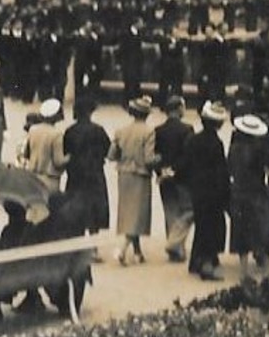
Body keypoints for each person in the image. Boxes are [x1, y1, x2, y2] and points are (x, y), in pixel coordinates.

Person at [181, 101, 231, 281]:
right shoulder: (216, 143)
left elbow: (185, 165)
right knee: (213, 227)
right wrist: (226, 192)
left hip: (197, 189)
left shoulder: (192, 139)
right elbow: (221, 171)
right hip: (213, 191)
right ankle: (207, 264)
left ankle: (196, 260)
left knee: (201, 225)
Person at [227, 114, 269, 284]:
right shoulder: (259, 149)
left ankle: (243, 270)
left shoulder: (234, 149)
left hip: (239, 192)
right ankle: (265, 265)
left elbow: (230, 168)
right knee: (261, 227)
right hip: (256, 192)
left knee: (241, 230)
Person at [108, 96, 154, 264]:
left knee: (129, 213)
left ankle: (137, 251)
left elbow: (111, 155)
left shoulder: (121, 131)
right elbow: (149, 158)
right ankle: (122, 249)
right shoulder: (149, 132)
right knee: (138, 214)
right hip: (140, 174)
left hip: (124, 174)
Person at [150, 96, 195, 263]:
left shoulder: (158, 130)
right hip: (182, 176)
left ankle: (176, 250)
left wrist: (161, 171)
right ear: (178, 109)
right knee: (188, 210)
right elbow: (189, 155)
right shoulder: (187, 129)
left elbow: (154, 154)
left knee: (170, 211)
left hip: (164, 175)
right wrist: (175, 169)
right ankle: (175, 244)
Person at [61, 96, 112, 238]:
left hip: (76, 174)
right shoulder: (98, 130)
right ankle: (94, 246)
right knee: (95, 208)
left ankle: (77, 244)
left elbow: (66, 152)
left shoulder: (70, 131)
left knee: (76, 209)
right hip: (95, 173)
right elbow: (109, 151)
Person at [19, 98, 66, 188]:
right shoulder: (56, 134)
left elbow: (26, 154)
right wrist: (70, 157)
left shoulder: (33, 130)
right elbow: (58, 162)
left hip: (33, 176)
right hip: (50, 179)